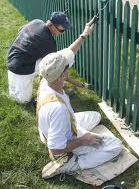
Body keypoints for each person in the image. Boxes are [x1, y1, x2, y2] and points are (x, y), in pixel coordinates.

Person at [38, 23, 122, 179]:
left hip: (53, 127)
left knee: (95, 116)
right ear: (63, 75)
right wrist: (83, 140)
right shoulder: (58, 109)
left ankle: (76, 135)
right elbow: (56, 148)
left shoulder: (46, 79)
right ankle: (72, 164)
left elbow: (69, 52)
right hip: (61, 142)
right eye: (66, 68)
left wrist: (84, 33)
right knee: (115, 145)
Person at [7, 11, 72, 104]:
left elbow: (21, 29)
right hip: (21, 68)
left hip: (12, 58)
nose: (63, 32)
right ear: (52, 25)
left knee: (15, 94)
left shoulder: (37, 22)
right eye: (62, 30)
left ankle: (18, 86)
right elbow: (53, 65)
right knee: (23, 101)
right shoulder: (47, 41)